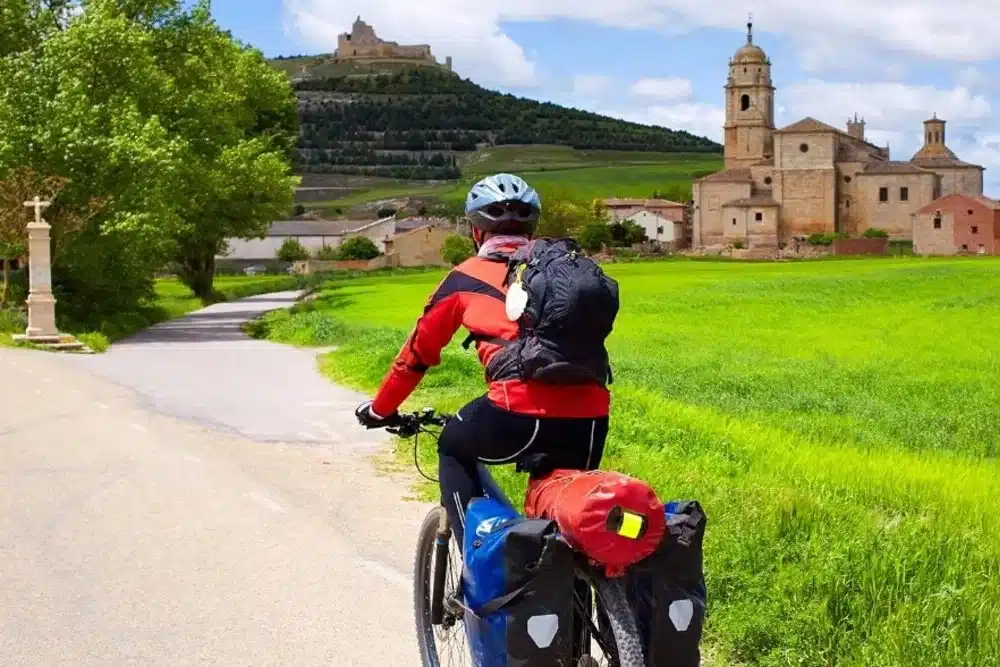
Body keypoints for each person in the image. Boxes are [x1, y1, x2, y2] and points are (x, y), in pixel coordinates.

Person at [355, 173, 611, 548]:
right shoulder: (567, 272)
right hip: (589, 416)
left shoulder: (463, 280)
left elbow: (414, 359)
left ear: (476, 232)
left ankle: (472, 563)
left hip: (514, 414)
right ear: (532, 227)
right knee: (573, 520)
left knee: (453, 445)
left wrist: (380, 411)